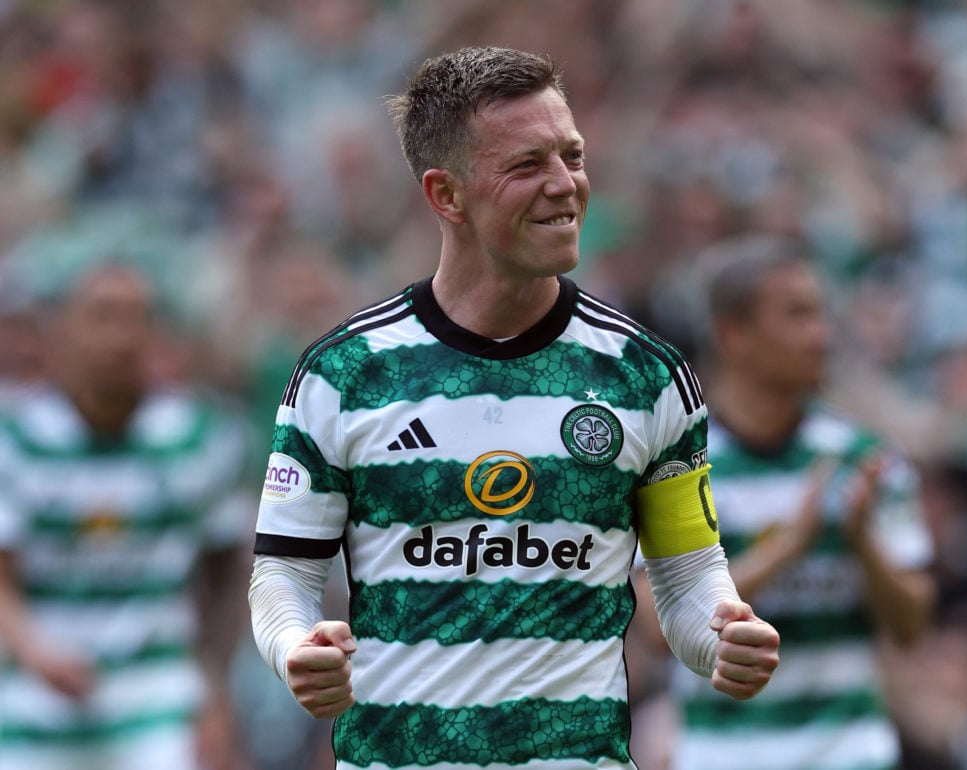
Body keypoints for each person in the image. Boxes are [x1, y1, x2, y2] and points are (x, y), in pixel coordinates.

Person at [247, 45, 780, 770]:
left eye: (573, 156)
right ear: (447, 195)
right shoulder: (342, 376)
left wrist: (721, 636)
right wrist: (294, 648)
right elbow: (283, 575)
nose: (566, 186)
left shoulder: (646, 376)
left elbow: (688, 575)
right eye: (527, 166)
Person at [634, 234, 936, 770]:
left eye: (821, 315)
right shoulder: (676, 464)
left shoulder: (863, 457)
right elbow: (660, 631)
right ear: (735, 336)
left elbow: (912, 623)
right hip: (722, 755)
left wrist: (861, 542)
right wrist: (789, 547)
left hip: (851, 752)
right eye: (798, 316)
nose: (820, 336)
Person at [0, 258, 253, 770]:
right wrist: (32, 648)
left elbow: (231, 569)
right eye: (102, 317)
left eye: (135, 319)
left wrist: (215, 687)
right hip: (38, 699)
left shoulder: (196, 435)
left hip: (158, 696)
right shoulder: (17, 439)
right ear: (61, 333)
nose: (120, 337)